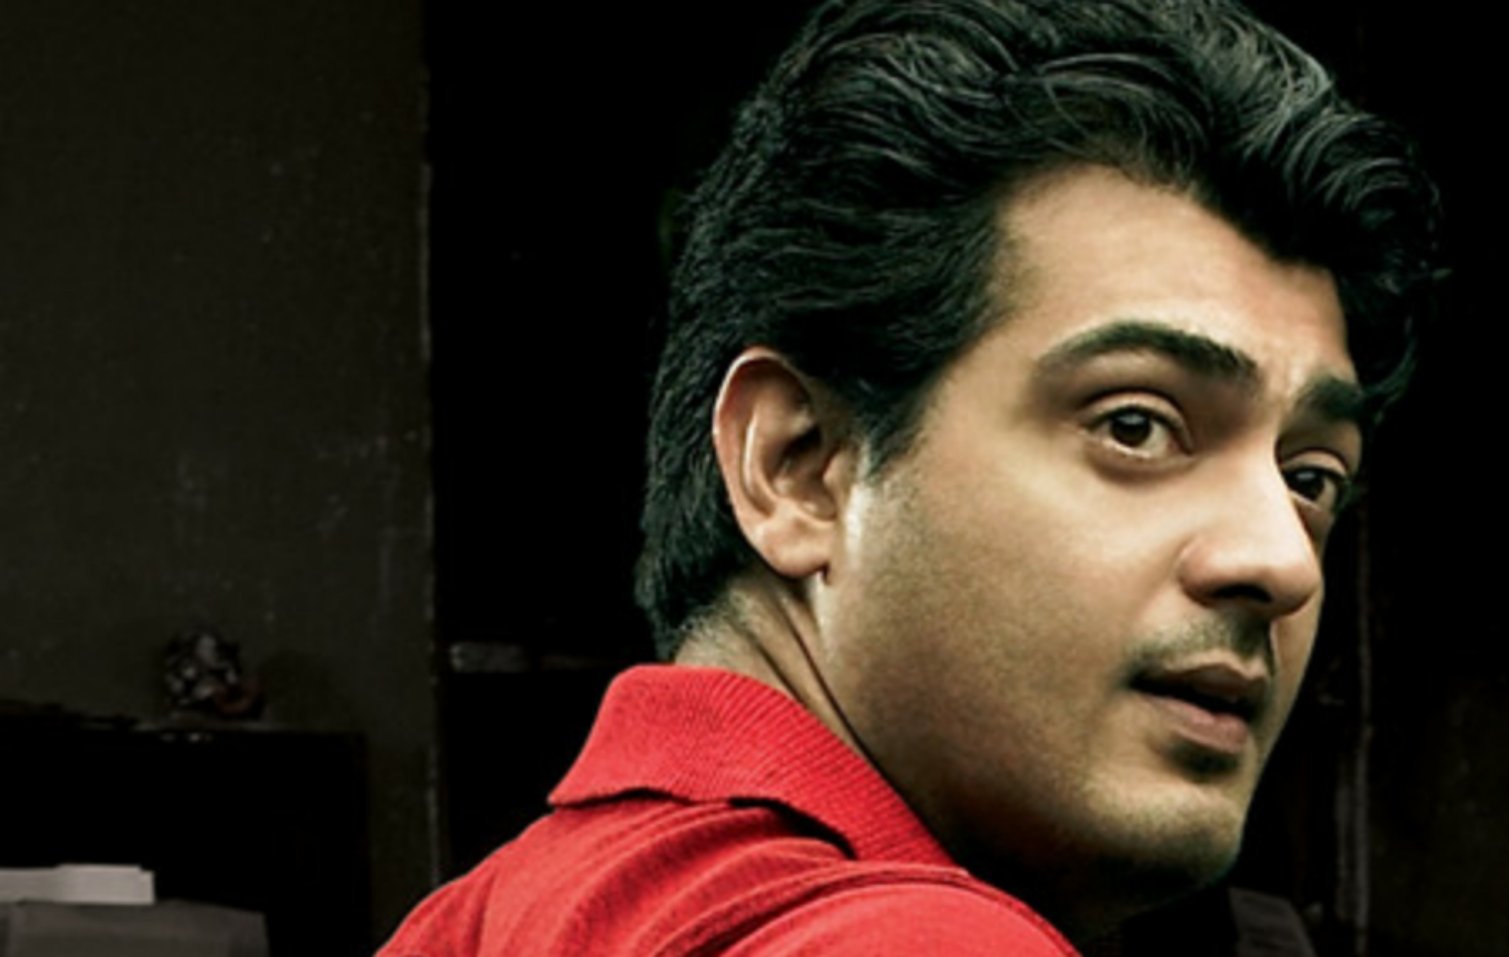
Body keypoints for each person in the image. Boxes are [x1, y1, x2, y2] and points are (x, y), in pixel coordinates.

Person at [382, 0, 1438, 953]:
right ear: (798, 467)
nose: (1281, 560)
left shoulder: (477, 920)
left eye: (1311, 478)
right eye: (1136, 425)